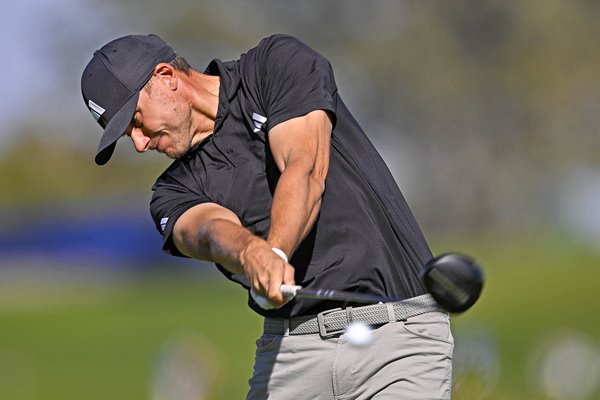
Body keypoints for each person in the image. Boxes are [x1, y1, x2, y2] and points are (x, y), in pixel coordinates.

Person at [81, 33, 454, 399]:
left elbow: (304, 167)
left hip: (398, 337)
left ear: (166, 77)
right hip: (290, 355)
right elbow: (208, 231)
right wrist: (248, 252)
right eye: (129, 136)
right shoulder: (170, 191)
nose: (141, 143)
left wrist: (273, 253)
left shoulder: (275, 66)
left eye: (135, 120)